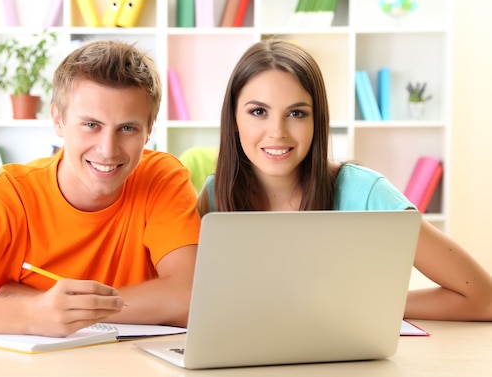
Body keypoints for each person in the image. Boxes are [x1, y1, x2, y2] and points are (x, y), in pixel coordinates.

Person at [0, 40, 201, 337]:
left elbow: (189, 297)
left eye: (127, 128)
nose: (108, 149)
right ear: (57, 120)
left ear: (148, 131)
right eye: (90, 125)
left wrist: (48, 303)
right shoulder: (3, 198)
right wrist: (30, 314)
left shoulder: (162, 176)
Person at [198, 38, 492, 321]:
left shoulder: (365, 192)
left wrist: (360, 303)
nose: (277, 132)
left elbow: (482, 298)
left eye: (297, 113)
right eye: (258, 112)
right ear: (234, 120)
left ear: (317, 121)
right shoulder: (215, 196)